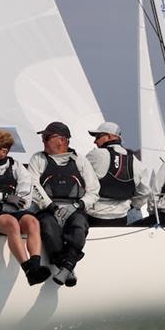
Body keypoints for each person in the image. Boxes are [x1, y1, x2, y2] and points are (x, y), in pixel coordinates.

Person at [0, 129, 51, 286]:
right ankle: (28, 270)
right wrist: (4, 198)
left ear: (4, 152)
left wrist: (1, 205)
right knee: (12, 223)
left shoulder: (17, 167)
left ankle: (35, 267)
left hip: (6, 210)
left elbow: (24, 199)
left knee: (33, 222)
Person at [28, 121, 99, 287]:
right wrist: (51, 206)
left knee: (80, 224)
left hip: (74, 207)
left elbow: (94, 190)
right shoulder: (38, 159)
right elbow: (32, 184)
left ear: (62, 140)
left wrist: (77, 206)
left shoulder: (80, 160)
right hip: (47, 208)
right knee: (47, 225)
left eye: (47, 137)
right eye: (43, 138)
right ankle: (67, 268)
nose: (43, 141)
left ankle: (66, 267)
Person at [85, 121, 150, 226]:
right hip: (121, 218)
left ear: (109, 136)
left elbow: (79, 177)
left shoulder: (95, 154)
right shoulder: (136, 161)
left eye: (97, 137)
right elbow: (145, 193)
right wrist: (130, 206)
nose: (95, 141)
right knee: (136, 213)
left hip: (93, 217)